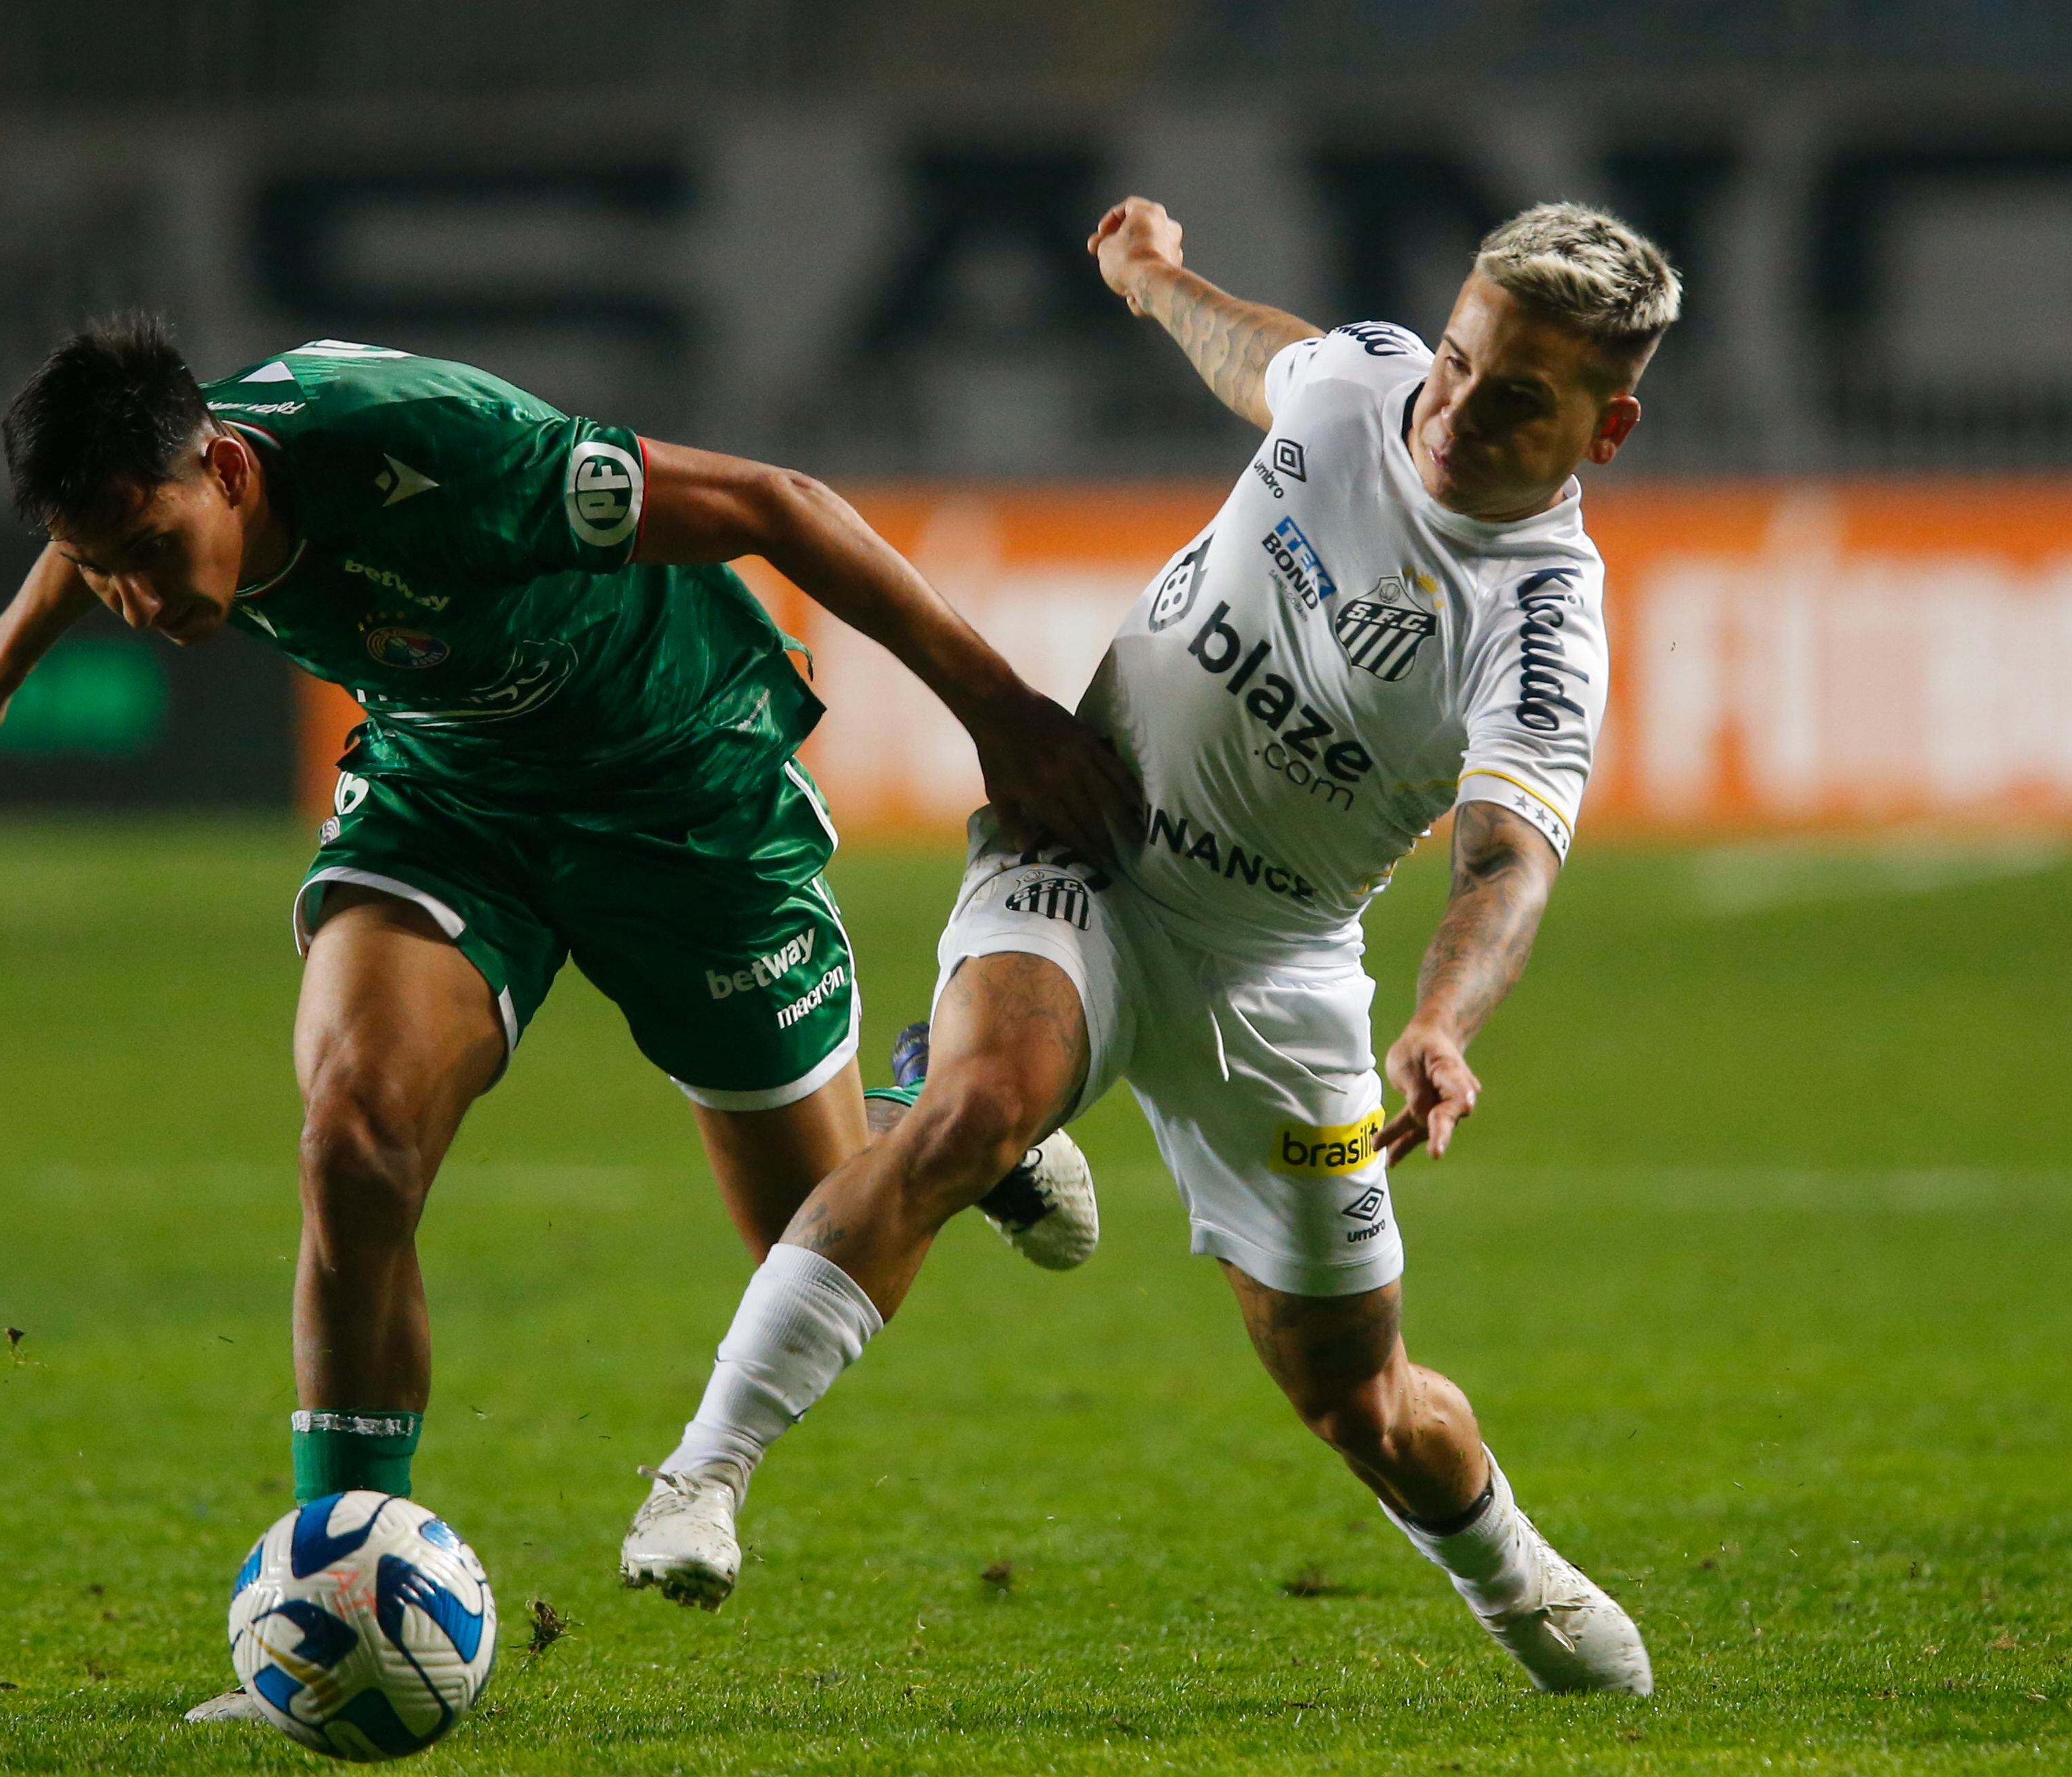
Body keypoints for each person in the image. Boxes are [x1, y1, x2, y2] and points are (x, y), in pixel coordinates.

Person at [0, 319, 1134, 1709]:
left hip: (679, 786)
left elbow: (781, 507)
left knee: (810, 1237)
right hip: (452, 791)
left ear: (225, 468)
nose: (141, 597)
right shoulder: (147, 469)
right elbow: (89, 525)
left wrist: (999, 714)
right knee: (353, 1135)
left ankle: (938, 1107)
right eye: (105, 569)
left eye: (153, 550)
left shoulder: (447, 461)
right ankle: (330, 1592)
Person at [618, 199, 1678, 1696]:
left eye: (1514, 399)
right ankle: (701, 1476)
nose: (1451, 410)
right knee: (974, 1112)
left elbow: (1506, 859)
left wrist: (1441, 1027)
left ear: (1606, 428)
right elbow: (1271, 361)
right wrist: (1153, 278)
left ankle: (1510, 1570)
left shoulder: (1544, 621)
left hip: (1281, 976)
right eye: (1455, 362)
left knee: (1355, 1396)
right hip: (1091, 856)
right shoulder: (1371, 385)